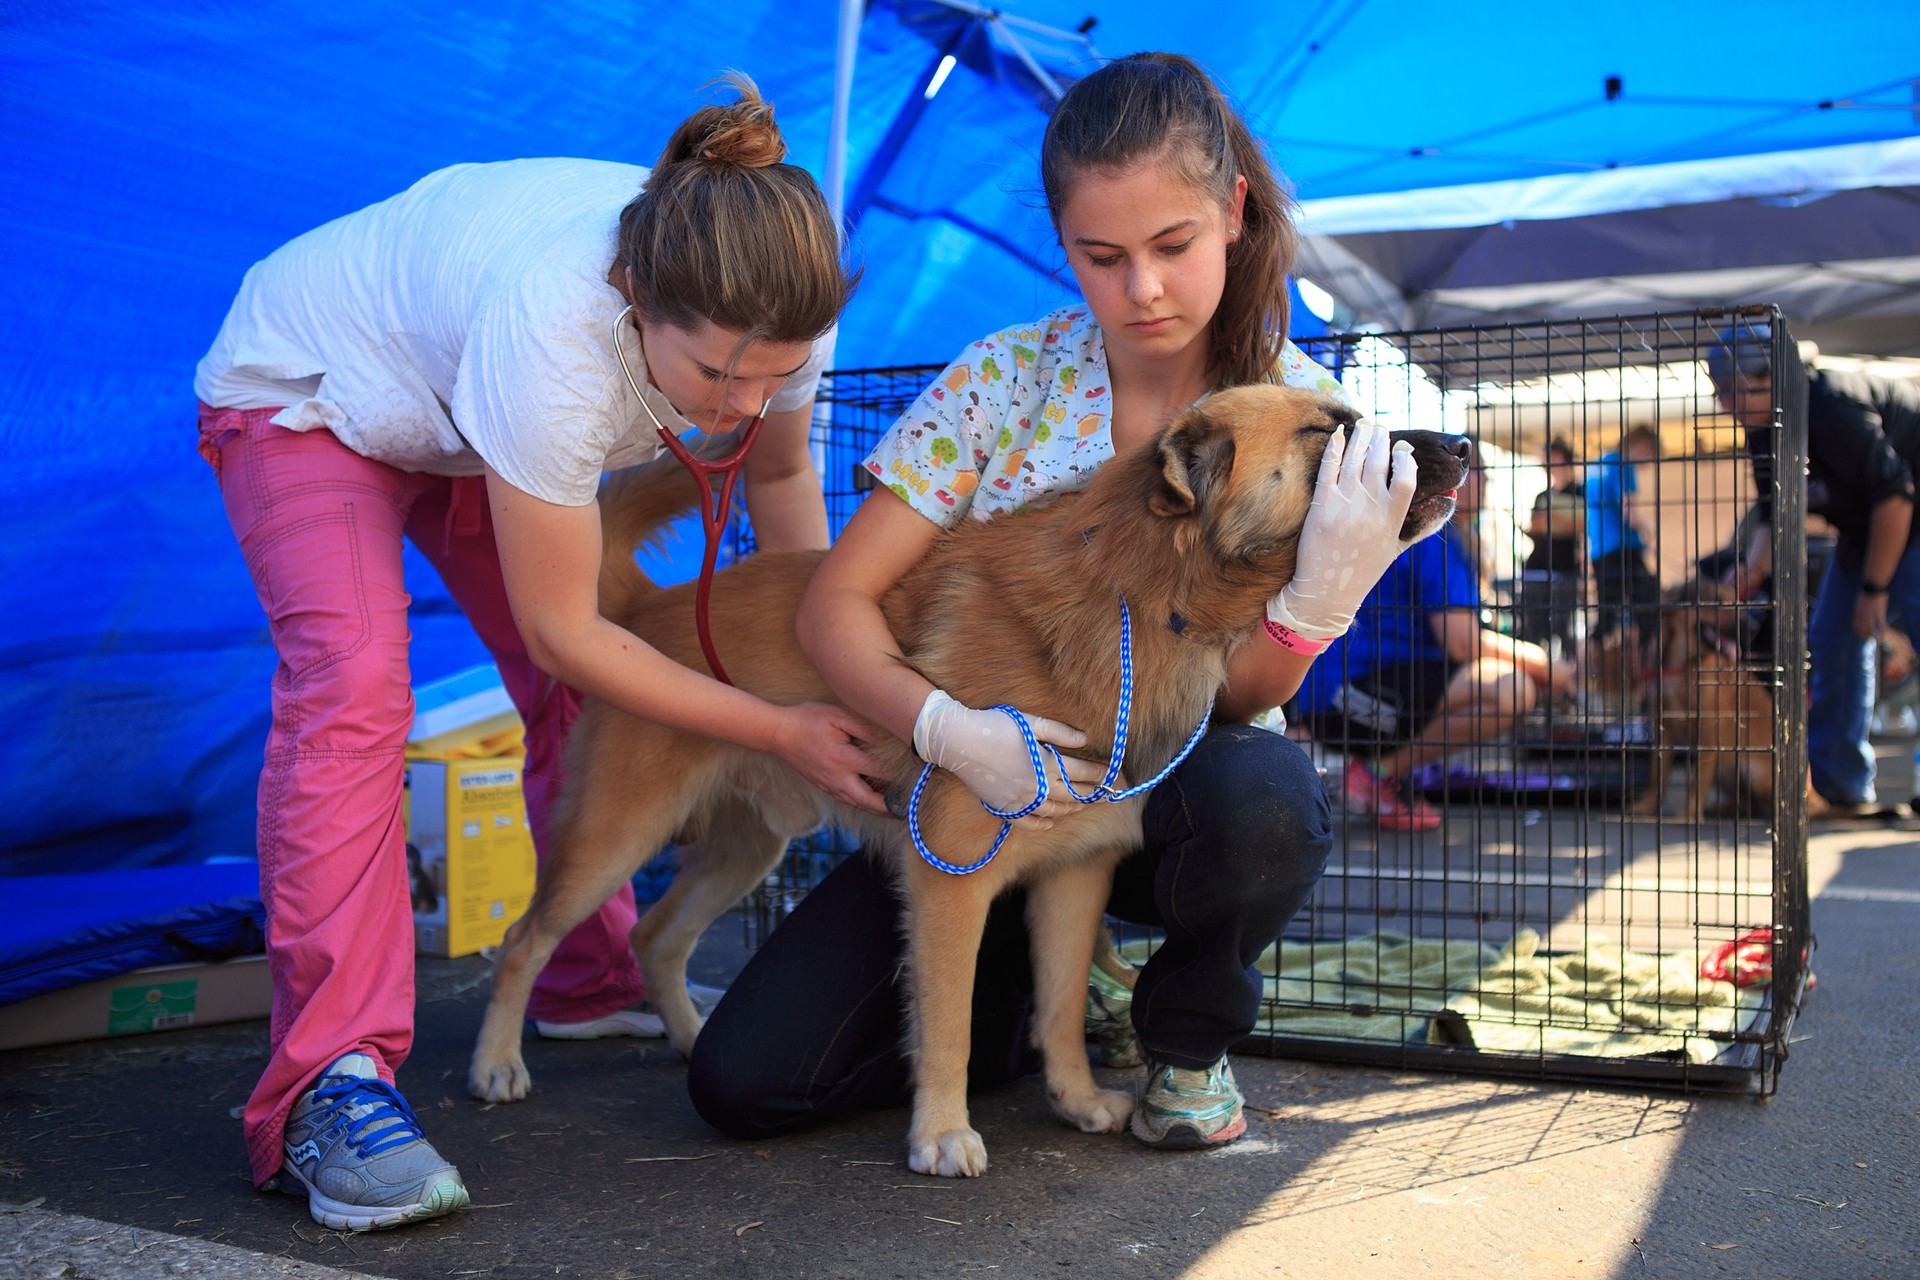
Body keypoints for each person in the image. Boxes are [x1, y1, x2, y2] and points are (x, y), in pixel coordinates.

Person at [686, 53, 1420, 1153]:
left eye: (1172, 246)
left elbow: (1250, 693)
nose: (1143, 291)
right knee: (747, 1082)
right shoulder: (1003, 379)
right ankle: (1015, 1009)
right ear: (1061, 240)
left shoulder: (1296, 418)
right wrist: (943, 728)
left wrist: (1311, 604)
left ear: (1232, 210)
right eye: (1101, 255)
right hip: (993, 795)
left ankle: (1181, 1039)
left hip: (1178, 800)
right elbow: (835, 600)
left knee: (1266, 794)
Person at [193, 77, 887, 1231]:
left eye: (773, 374)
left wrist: (807, 665)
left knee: (608, 696)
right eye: (718, 376)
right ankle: (327, 1083)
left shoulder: (776, 310)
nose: (744, 402)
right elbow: (571, 627)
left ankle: (586, 978)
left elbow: (776, 480)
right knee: (359, 688)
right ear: (634, 300)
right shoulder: (559, 335)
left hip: (463, 423)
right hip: (307, 392)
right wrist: (771, 726)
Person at [1293, 445, 1573, 831]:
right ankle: (1375, 775)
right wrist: (1543, 663)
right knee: (1513, 690)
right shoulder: (1432, 536)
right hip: (1342, 696)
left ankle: (1384, 774)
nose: (1485, 480)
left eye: (1484, 471)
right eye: (1473, 470)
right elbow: (1463, 643)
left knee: (1506, 681)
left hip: (1363, 688)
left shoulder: (1449, 537)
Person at [1710, 320, 1920, 812]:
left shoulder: (1830, 406)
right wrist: (1749, 573)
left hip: (1905, 512)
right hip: (1866, 526)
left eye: (1731, 391)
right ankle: (1841, 787)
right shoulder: (1764, 432)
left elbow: (1896, 495)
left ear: (1769, 378)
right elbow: (1774, 518)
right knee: (1832, 638)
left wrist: (1875, 589)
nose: (1723, 404)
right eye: (1718, 391)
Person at [1585, 424, 1663, 670]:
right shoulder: (1623, 466)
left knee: (1604, 620)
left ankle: (1577, 679)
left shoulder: (1598, 464)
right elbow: (1629, 510)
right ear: (1641, 444)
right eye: (1651, 454)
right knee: (1650, 615)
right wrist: (1650, 531)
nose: (1649, 462)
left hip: (1600, 552)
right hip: (1624, 550)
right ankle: (1646, 683)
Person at [1518, 436, 1585, 650]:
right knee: (1534, 628)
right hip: (1537, 570)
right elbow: (1536, 527)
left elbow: (1582, 526)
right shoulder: (1542, 496)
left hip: (1565, 569)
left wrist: (1553, 520)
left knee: (1564, 629)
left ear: (1559, 457)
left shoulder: (1581, 491)